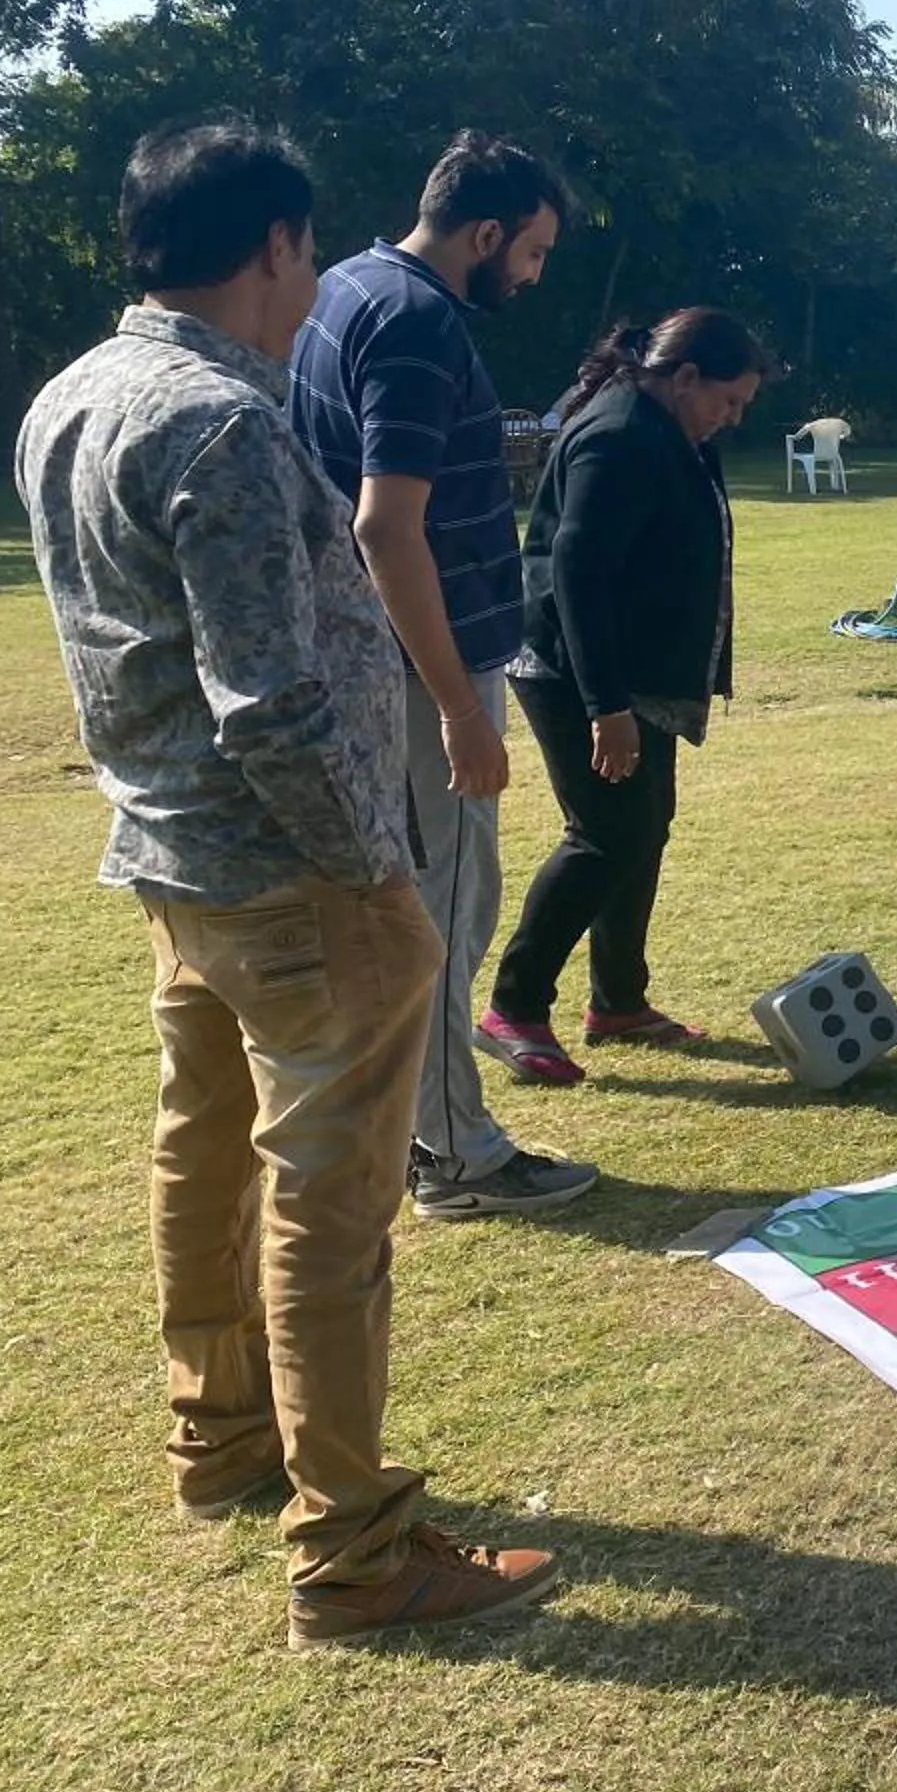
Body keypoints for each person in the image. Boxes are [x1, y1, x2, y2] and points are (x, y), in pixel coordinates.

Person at [16, 118, 559, 1647]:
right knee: (333, 1204)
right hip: (291, 880)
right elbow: (270, 698)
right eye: (305, 249)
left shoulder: (73, 395)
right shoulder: (221, 427)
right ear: (269, 245)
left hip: (172, 862)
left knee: (205, 1154)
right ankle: (356, 1550)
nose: (313, 277)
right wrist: (373, 871)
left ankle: (223, 1434)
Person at [291, 128, 596, 1218]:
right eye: (533, 251)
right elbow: (387, 524)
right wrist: (463, 707)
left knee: (405, 912)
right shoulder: (417, 323)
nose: (534, 273)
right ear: (485, 231)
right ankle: (454, 1153)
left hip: (365, 664)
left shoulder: (345, 289)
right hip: (423, 673)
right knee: (446, 913)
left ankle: (415, 1131)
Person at [481, 312, 763, 1075]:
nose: (730, 419)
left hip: (630, 672)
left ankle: (619, 1002)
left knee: (645, 826)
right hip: (575, 672)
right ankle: (515, 1006)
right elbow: (575, 570)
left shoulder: (664, 426)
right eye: (727, 402)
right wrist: (606, 706)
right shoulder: (621, 435)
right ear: (686, 377)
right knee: (606, 832)